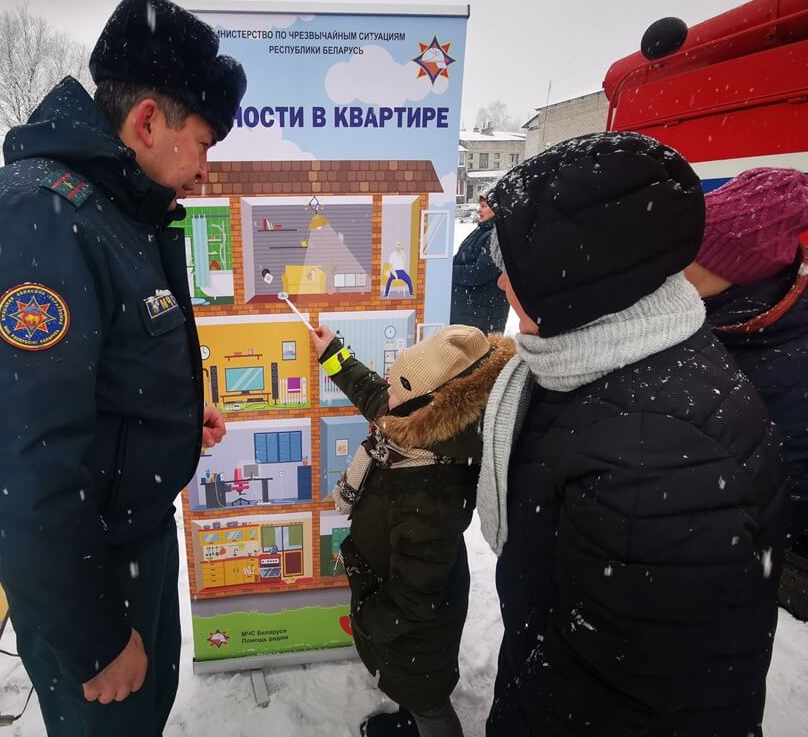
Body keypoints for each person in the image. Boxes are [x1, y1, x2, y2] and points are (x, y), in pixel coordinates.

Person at [0, 0, 245, 736]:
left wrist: (167, 414)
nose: (204, 170)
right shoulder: (35, 218)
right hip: (93, 567)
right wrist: (93, 636)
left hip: (132, 542)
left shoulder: (115, 214)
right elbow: (22, 463)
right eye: (203, 143)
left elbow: (106, 369)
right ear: (146, 123)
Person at [477, 133, 788, 736]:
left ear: (569, 285)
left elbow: (606, 700)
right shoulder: (590, 359)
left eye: (510, 268)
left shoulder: (660, 457)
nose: (499, 286)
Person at [310, 324, 513, 737]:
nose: (387, 393)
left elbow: (416, 597)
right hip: (400, 614)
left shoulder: (430, 489)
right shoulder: (416, 428)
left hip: (415, 633)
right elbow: (374, 395)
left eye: (398, 388)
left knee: (429, 704)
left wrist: (370, 618)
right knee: (412, 692)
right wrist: (332, 353)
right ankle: (412, 718)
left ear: (429, 405)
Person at [683, 167, 808, 621]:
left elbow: (785, 485)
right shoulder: (722, 314)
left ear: (737, 269)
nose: (674, 266)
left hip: (744, 557)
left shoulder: (785, 357)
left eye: (690, 256)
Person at [449, 192, 510, 333]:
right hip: (470, 312)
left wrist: (447, 271)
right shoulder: (483, 231)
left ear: (496, 208)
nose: (478, 210)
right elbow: (462, 259)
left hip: (481, 316)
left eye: (483, 206)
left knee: (477, 353)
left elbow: (479, 273)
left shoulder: (497, 236)